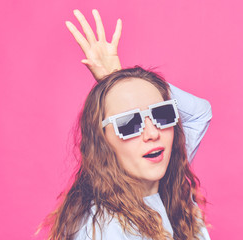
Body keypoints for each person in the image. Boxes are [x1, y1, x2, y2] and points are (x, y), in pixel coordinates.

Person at [45, 9, 212, 240]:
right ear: (102, 142)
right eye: (129, 123)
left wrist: (118, 79)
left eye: (161, 114)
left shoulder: (165, 179)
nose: (152, 133)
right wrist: (120, 86)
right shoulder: (103, 229)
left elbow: (199, 113)